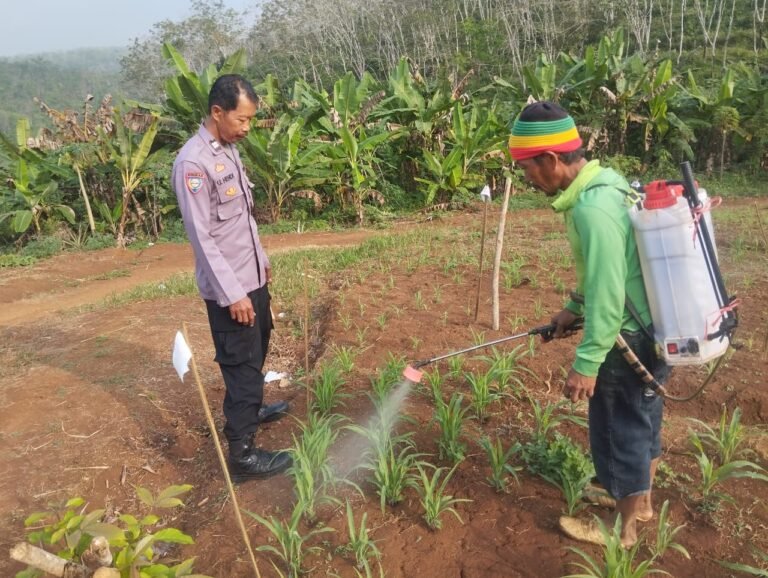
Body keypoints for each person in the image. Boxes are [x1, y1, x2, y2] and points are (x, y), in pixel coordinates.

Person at [508, 101, 664, 547]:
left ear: (550, 159)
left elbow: (609, 294)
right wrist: (573, 308)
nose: (527, 178)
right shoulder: (608, 184)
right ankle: (641, 504)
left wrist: (587, 363)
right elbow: (604, 273)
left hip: (624, 338)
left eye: (527, 168)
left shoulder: (591, 210)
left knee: (619, 432)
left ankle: (622, 530)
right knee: (644, 421)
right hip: (653, 328)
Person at [172, 74, 291, 482]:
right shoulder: (193, 163)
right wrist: (233, 293)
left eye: (250, 120)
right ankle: (242, 456)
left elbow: (242, 217)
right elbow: (202, 237)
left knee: (256, 351)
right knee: (241, 365)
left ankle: (251, 410)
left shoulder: (228, 149)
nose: (247, 128)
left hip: (251, 276)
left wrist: (262, 260)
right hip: (231, 290)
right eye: (242, 119)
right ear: (217, 112)